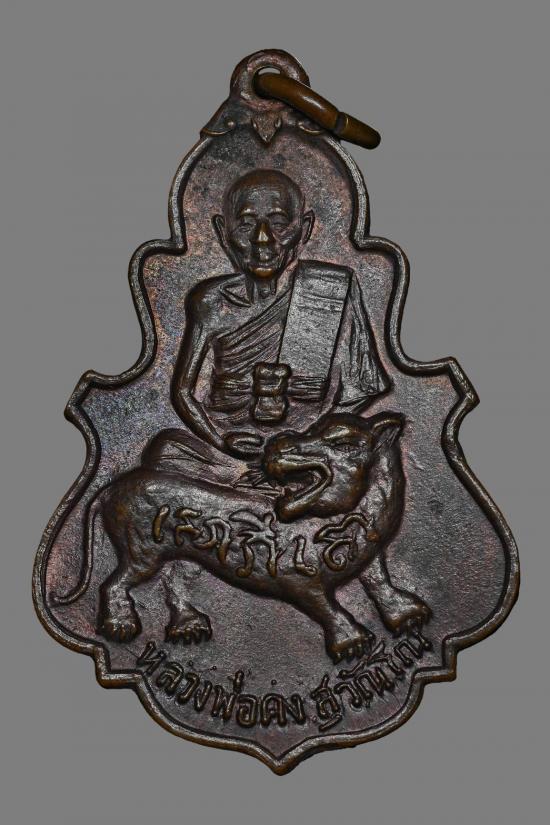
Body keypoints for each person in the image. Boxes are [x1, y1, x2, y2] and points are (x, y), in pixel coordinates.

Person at [169, 169, 389, 465]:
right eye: (246, 225)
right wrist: (221, 440)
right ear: (223, 231)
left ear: (305, 229)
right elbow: (182, 392)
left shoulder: (328, 288)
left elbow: (361, 389)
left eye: (279, 224)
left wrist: (303, 443)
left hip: (304, 449)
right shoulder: (210, 300)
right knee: (166, 448)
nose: (263, 239)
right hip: (226, 447)